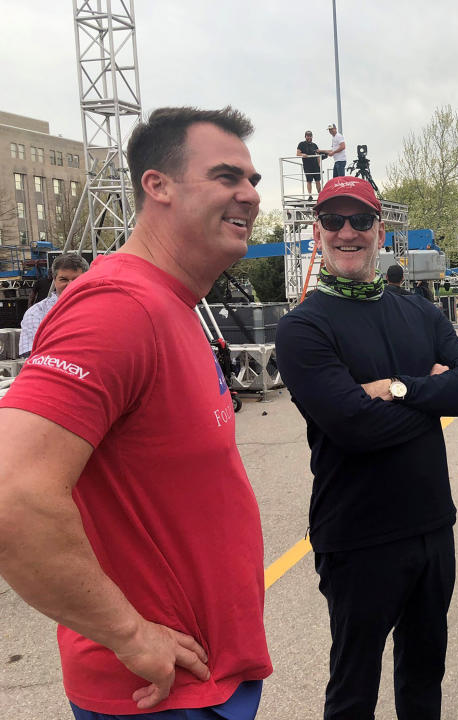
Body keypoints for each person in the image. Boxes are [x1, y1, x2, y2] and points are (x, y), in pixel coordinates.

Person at [0, 107, 272, 719]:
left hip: (206, 676)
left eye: (253, 180)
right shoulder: (118, 308)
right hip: (158, 695)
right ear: (158, 186)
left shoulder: (172, 303)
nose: (250, 195)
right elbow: (12, 495)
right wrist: (128, 633)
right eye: (227, 176)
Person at [274, 176, 458, 720]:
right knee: (354, 686)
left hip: (431, 526)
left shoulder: (417, 310)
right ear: (317, 230)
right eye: (334, 221)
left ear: (381, 230)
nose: (348, 232)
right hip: (357, 536)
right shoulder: (303, 327)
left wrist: (396, 389)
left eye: (361, 220)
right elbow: (352, 427)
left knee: (424, 676)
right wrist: (434, 395)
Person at [18, 252, 89, 357]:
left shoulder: (100, 310)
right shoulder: (36, 313)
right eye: (63, 279)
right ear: (54, 280)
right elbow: (31, 356)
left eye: (76, 279)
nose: (70, 285)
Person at [296, 129, 322, 199]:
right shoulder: (301, 144)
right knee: (309, 181)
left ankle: (320, 195)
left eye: (310, 136)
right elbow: (297, 153)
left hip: (315, 166)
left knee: (317, 181)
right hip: (307, 166)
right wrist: (302, 154)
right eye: (308, 136)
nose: (309, 137)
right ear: (305, 136)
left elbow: (318, 156)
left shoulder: (314, 145)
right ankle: (310, 195)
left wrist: (319, 165)